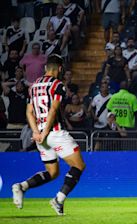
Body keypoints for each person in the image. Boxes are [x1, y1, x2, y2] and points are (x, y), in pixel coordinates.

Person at [12, 54, 86, 215]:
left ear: (46, 68)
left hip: (40, 136)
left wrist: (37, 132)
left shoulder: (34, 85)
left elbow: (29, 112)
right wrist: (45, 132)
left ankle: (22, 186)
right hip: (54, 133)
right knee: (79, 166)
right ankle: (58, 200)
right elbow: (53, 109)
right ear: (59, 69)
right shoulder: (58, 84)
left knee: (53, 172)